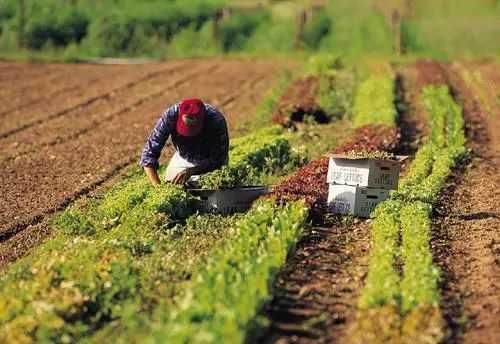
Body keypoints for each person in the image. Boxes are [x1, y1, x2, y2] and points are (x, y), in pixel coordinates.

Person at [140, 98, 229, 186]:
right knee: (172, 182)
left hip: (209, 161)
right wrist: (157, 186)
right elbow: (149, 153)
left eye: (193, 130)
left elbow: (218, 159)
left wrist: (192, 171)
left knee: (215, 186)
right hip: (184, 158)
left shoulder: (216, 120)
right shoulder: (171, 115)